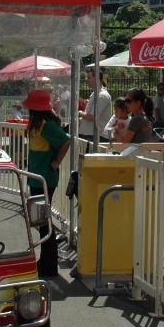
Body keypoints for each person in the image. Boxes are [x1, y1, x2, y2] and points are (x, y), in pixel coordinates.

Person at [24, 89, 72, 278]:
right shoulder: (40, 124)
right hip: (38, 177)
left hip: (44, 177)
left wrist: (56, 162)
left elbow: (66, 141)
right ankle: (46, 262)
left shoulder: (46, 125)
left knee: (45, 222)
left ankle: (49, 265)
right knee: (42, 221)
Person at [79, 72, 112, 146]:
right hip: (92, 134)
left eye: (89, 77)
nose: (86, 80)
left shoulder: (102, 95)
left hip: (97, 136)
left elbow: (92, 117)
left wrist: (79, 112)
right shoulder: (96, 93)